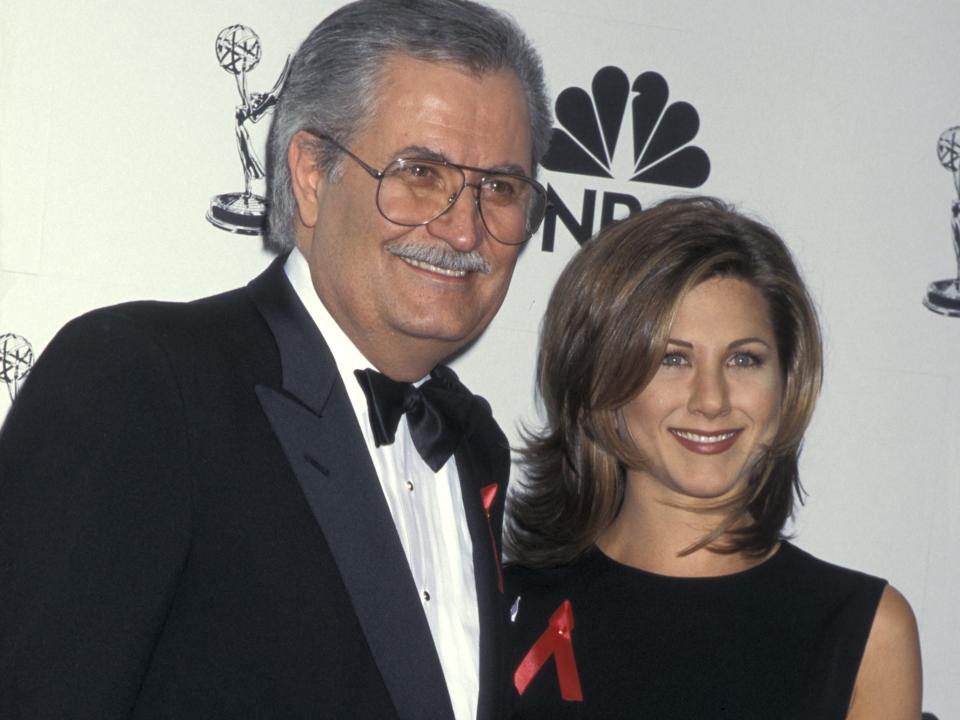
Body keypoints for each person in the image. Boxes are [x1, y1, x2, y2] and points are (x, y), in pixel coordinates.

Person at [0, 1, 551, 718]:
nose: (463, 225)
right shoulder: (142, 382)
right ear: (312, 177)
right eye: (420, 171)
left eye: (501, 188)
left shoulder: (473, 444)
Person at [504, 197, 922, 719]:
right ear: (597, 378)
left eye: (744, 359)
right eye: (672, 359)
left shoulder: (863, 631)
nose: (711, 400)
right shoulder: (504, 611)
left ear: (787, 383)